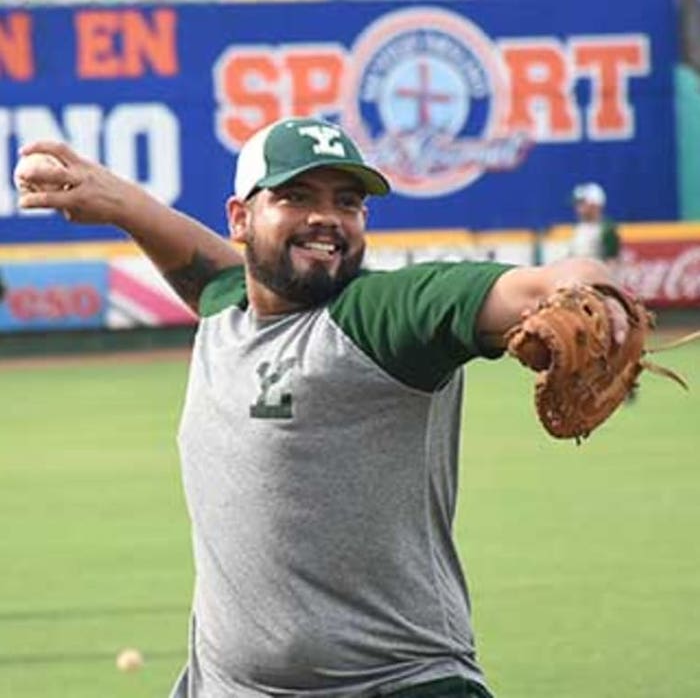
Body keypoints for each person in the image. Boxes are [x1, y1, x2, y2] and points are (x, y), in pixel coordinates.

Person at [16, 116, 630, 698]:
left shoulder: (381, 317)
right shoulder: (227, 306)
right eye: (296, 196)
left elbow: (537, 284)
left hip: (396, 684)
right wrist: (119, 202)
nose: (326, 217)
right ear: (240, 217)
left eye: (348, 201)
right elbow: (199, 257)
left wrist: (592, 291)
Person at [569, 182, 620, 264]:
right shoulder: (579, 227)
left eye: (581, 203)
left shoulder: (606, 228)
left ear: (594, 204)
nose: (577, 208)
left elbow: (612, 260)